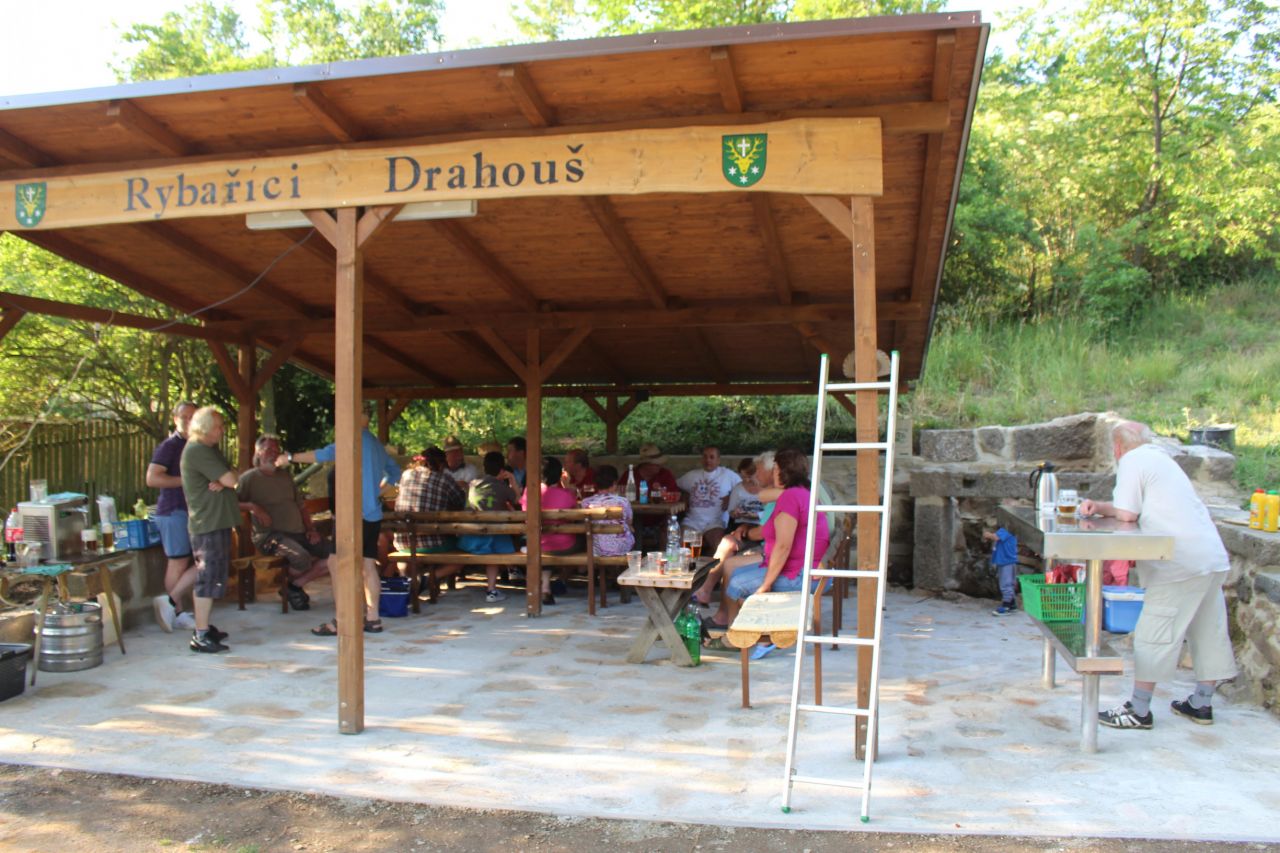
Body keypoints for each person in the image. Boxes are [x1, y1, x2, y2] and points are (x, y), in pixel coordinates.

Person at [1080, 421, 1237, 730]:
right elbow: (1131, 508)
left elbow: (1127, 513)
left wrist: (1099, 509)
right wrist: (1100, 506)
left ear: (1117, 447)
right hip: (1210, 556)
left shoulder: (1132, 461)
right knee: (1208, 630)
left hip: (1179, 562)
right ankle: (1201, 703)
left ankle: (1139, 710)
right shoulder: (1161, 459)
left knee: (1154, 631)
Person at [279, 408, 401, 637]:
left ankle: (341, 620)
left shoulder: (352, 440)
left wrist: (289, 458)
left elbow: (323, 454)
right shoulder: (376, 444)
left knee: (336, 563)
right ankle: (373, 619)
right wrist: (378, 491)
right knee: (368, 565)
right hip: (372, 514)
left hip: (351, 515)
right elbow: (395, 472)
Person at [705, 449, 829, 655]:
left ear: (781, 471)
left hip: (799, 574)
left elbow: (783, 546)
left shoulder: (791, 498)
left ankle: (749, 636)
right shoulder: (800, 493)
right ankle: (747, 633)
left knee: (736, 584)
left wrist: (766, 585)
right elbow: (763, 499)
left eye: (775, 469)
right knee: (737, 575)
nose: (772, 473)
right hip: (807, 569)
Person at [236, 434, 330, 611]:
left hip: (299, 533)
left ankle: (293, 586)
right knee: (300, 557)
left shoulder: (285, 477)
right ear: (258, 452)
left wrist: (311, 529)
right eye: (268, 449)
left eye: (276, 449)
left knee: (337, 553)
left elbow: (301, 507)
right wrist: (252, 506)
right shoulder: (249, 478)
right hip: (270, 536)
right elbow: (231, 503)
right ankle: (293, 588)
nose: (273, 453)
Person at [179, 406, 239, 654]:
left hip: (216, 522)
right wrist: (226, 480)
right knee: (207, 577)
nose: (222, 430)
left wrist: (226, 480)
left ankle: (204, 627)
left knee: (214, 576)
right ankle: (200, 634)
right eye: (218, 426)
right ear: (205, 427)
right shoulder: (197, 450)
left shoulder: (210, 450)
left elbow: (233, 476)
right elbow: (232, 479)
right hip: (207, 524)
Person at [146, 400, 199, 633]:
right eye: (184, 417)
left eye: (192, 417)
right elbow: (152, 478)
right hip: (174, 511)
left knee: (200, 560)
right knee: (178, 562)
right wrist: (187, 481)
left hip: (193, 512)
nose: (188, 421)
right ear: (175, 419)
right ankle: (176, 612)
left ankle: (172, 605)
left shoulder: (197, 444)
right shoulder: (170, 446)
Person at [392, 446, 466, 593]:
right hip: (433, 542)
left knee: (405, 556)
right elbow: (461, 502)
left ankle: (405, 579)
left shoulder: (406, 475)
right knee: (463, 555)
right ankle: (428, 578)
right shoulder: (445, 479)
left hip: (403, 541)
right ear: (441, 464)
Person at [458, 450, 520, 603]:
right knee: (502, 544)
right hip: (493, 539)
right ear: (502, 470)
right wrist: (512, 479)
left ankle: (494, 588)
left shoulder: (472, 484)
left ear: (484, 467)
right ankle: (497, 585)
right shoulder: (502, 486)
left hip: (470, 538)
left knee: (493, 544)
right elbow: (518, 500)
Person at [521, 456, 581, 605]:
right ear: (559, 474)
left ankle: (546, 587)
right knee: (583, 538)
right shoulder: (566, 494)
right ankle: (562, 580)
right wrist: (567, 487)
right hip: (564, 546)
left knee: (544, 544)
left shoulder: (529, 491)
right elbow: (577, 514)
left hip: (536, 543)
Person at [677, 445, 741, 555]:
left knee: (719, 547)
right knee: (680, 544)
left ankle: (709, 565)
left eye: (712, 457)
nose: (708, 460)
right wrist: (684, 495)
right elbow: (675, 486)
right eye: (705, 457)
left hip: (715, 522)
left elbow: (744, 488)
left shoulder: (728, 475)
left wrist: (731, 497)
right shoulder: (692, 475)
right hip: (693, 521)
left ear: (718, 460)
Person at [579, 464, 634, 556]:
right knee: (631, 531)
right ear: (614, 483)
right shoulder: (623, 502)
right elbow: (629, 522)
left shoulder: (585, 503)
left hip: (597, 549)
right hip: (621, 548)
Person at [984, 525, 1019, 616]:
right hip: (1008, 561)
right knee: (1009, 583)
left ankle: (1006, 606)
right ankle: (1012, 605)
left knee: (1005, 584)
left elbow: (996, 537)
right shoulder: (1011, 531)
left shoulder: (1005, 530)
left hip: (1005, 561)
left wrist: (987, 534)